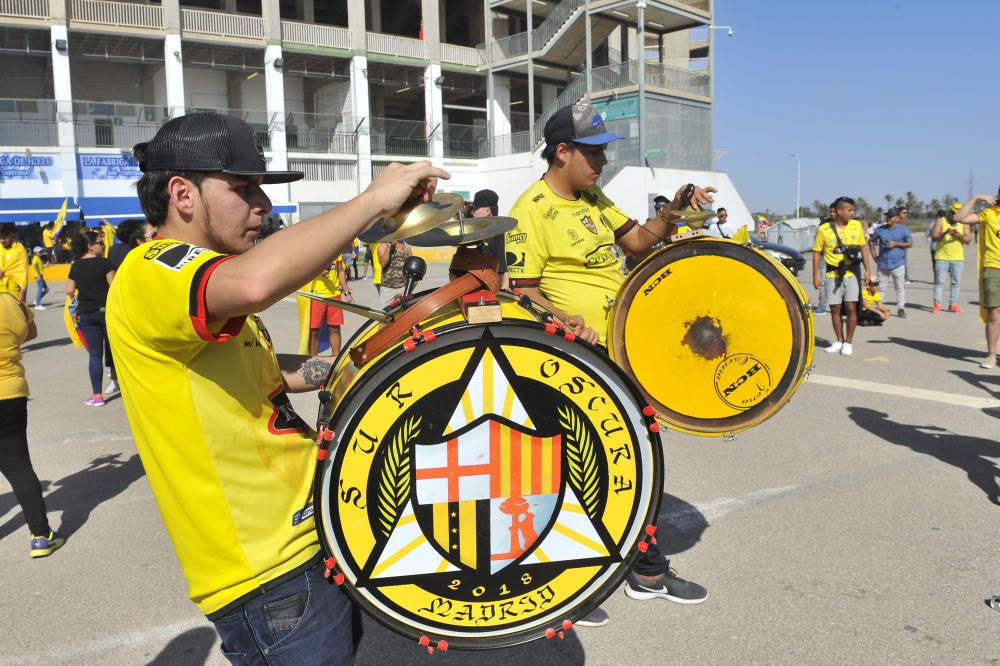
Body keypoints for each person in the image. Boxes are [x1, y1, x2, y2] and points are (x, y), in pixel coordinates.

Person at [105, 113, 446, 664]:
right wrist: (370, 201)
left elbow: (266, 372)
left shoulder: (205, 277)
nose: (261, 202)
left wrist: (352, 361)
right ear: (182, 194)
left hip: (305, 546)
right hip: (267, 573)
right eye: (243, 188)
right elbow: (258, 283)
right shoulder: (154, 269)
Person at [505, 103, 712, 623]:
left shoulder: (594, 196)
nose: (601, 161)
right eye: (593, 151)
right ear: (562, 151)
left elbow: (639, 243)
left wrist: (674, 209)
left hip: (622, 350)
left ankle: (642, 571)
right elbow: (520, 293)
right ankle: (571, 581)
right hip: (576, 361)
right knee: (578, 468)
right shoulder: (529, 210)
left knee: (636, 461)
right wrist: (565, 322)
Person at [0, 291, 65, 558]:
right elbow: (32, 333)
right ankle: (41, 536)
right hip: (10, 391)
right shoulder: (9, 301)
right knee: (19, 467)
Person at [811, 196, 875, 356]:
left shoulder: (856, 226)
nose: (852, 213)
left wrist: (868, 270)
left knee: (852, 306)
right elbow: (816, 253)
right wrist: (815, 277)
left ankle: (848, 342)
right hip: (832, 274)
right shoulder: (823, 230)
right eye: (849, 210)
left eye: (853, 210)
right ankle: (838, 340)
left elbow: (863, 247)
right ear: (839, 211)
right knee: (835, 309)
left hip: (851, 272)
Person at [67, 230, 117, 406]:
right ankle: (124, 386)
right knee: (116, 352)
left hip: (87, 314)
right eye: (100, 243)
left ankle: (97, 396)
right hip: (106, 313)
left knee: (95, 355)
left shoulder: (76, 266)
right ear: (90, 246)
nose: (103, 245)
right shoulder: (104, 263)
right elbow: (115, 287)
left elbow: (69, 289)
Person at [952, 191, 1000, 369]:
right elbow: (959, 217)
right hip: (994, 267)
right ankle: (991, 355)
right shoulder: (990, 214)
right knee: (995, 313)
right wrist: (976, 198)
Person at [869, 207, 913, 318]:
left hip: (898, 264)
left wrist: (896, 244)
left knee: (899, 287)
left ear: (897, 218)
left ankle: (901, 308)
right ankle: (879, 308)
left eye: (891, 216)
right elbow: (871, 242)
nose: (888, 218)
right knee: (881, 288)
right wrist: (874, 256)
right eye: (887, 216)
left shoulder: (903, 229)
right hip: (883, 264)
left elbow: (910, 244)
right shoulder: (880, 229)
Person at [305, 257, 353, 356]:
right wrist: (318, 271)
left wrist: (347, 292)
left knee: (335, 328)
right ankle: (313, 359)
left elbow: (340, 271)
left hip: (334, 294)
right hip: (316, 295)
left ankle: (335, 357)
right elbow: (305, 269)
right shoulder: (315, 251)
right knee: (314, 331)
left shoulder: (337, 252)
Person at [930, 205, 971, 314]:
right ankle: (937, 305)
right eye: (953, 213)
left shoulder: (964, 223)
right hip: (941, 257)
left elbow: (968, 240)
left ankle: (953, 305)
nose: (955, 215)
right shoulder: (941, 220)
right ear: (949, 212)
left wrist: (958, 235)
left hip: (957, 258)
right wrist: (944, 233)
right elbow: (934, 237)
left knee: (955, 283)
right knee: (939, 282)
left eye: (957, 213)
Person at [469, 188, 509, 289]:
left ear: (488, 211)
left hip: (494, 287)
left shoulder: (497, 232)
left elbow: (503, 269)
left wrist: (503, 293)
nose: (472, 212)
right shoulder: (485, 231)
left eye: (475, 208)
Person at [377, 239, 411, 308]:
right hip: (388, 289)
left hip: (403, 288)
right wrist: (389, 247)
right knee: (386, 314)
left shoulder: (406, 247)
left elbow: (410, 267)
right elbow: (383, 263)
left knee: (404, 314)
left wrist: (409, 288)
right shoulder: (383, 246)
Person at [0, 223, 28, 304]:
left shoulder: (20, 250)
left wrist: (22, 292)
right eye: (0, 238)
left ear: (11, 236)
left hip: (13, 290)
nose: (2, 240)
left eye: (5, 238)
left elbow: (23, 273)